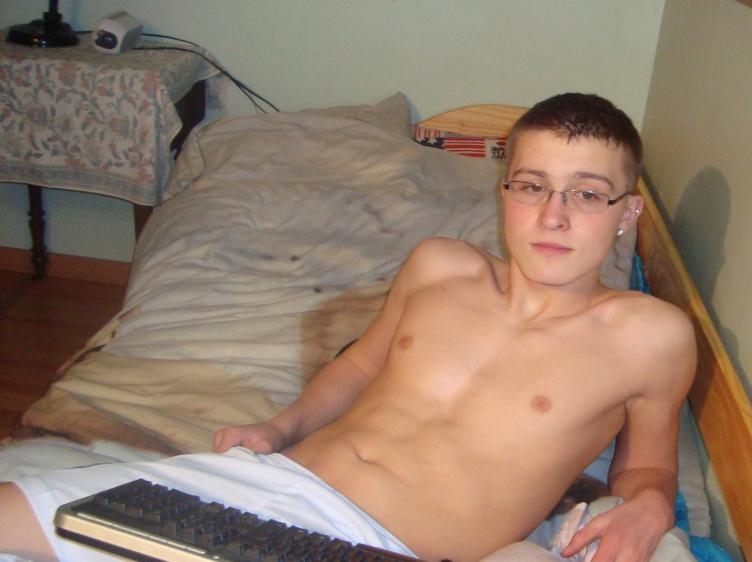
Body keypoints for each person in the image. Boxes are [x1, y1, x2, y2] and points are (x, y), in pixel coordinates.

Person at [0, 93, 695, 562]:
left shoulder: (648, 337)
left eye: (587, 194)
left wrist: (650, 508)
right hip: (260, 491)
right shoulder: (440, 266)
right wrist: (277, 429)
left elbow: (647, 466)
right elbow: (361, 366)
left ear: (627, 214)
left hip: (377, 546)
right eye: (533, 185)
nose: (553, 215)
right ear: (504, 190)